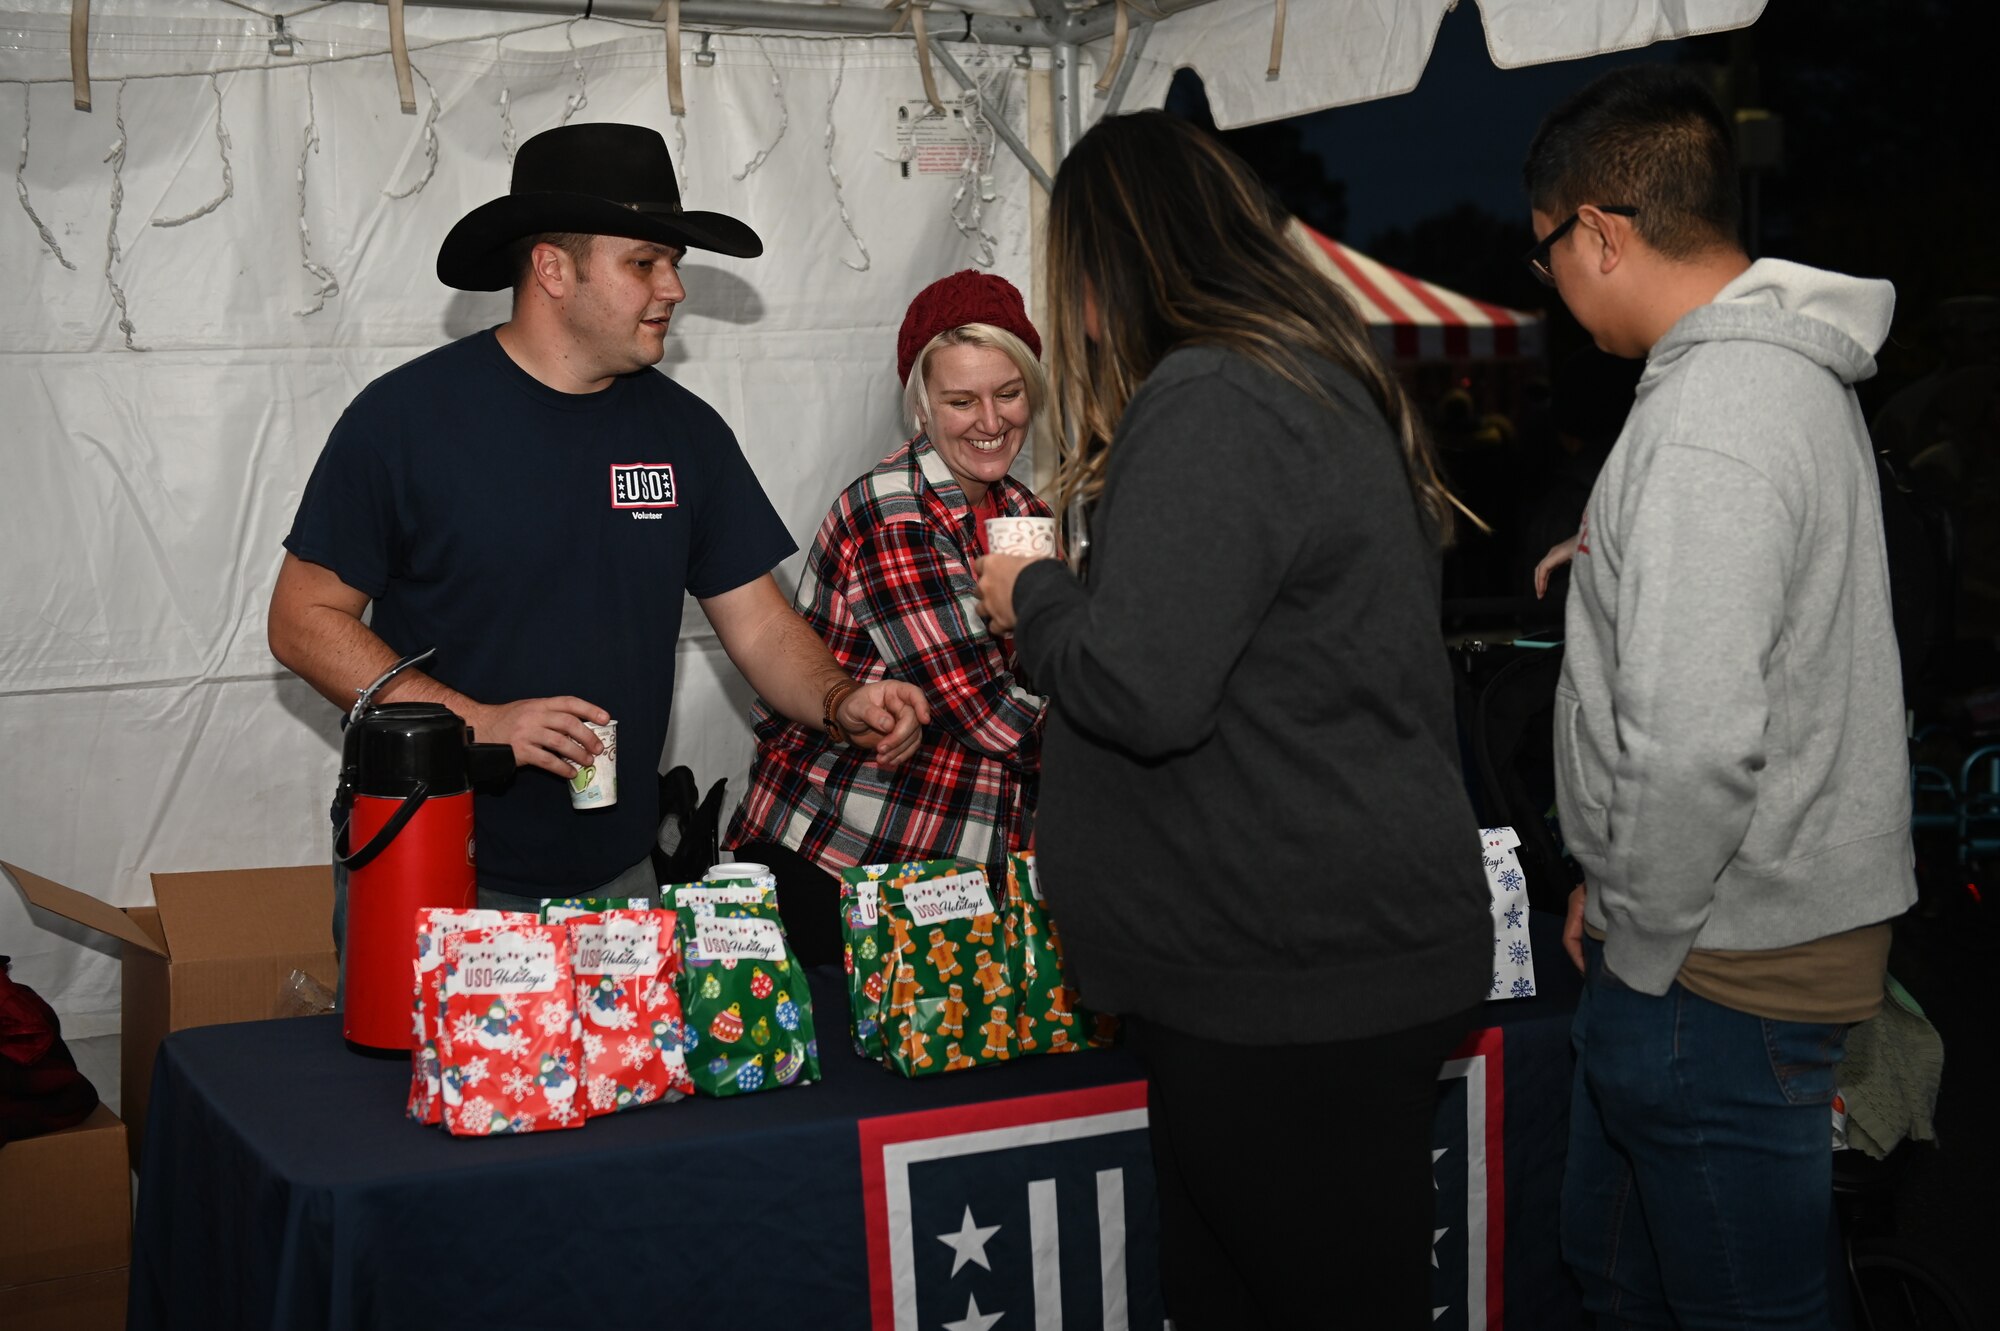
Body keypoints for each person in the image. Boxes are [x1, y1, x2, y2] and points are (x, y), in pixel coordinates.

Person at [973, 111, 1491, 1329]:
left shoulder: (1213, 393)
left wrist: (1031, 595)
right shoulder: (1295, 376)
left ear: (1108, 268)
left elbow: (1143, 689)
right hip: (1294, 959)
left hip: (1288, 976)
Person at [268, 122, 928, 949]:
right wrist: (474, 722)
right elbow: (303, 620)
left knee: (626, 1086)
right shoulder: (406, 420)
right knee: (419, 1086)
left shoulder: (686, 435)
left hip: (619, 883)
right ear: (552, 267)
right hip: (435, 866)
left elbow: (758, 622)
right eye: (645, 262)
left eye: (673, 264)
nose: (675, 288)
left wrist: (840, 699)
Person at [1522, 66, 1916, 1327]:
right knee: (1622, 1267)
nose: (1551, 287)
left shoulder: (1709, 416)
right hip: (1726, 931)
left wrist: (1636, 938)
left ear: (1597, 231)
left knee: (1744, 1305)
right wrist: (1613, 567)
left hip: (1716, 964)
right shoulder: (1778, 379)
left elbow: (1694, 748)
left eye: (1546, 254)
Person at [726, 272, 1052, 966]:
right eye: (962, 400)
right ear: (922, 409)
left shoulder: (1023, 511)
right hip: (843, 865)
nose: (991, 421)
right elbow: (992, 716)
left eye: (1009, 393)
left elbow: (1043, 667)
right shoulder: (894, 512)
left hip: (951, 874)